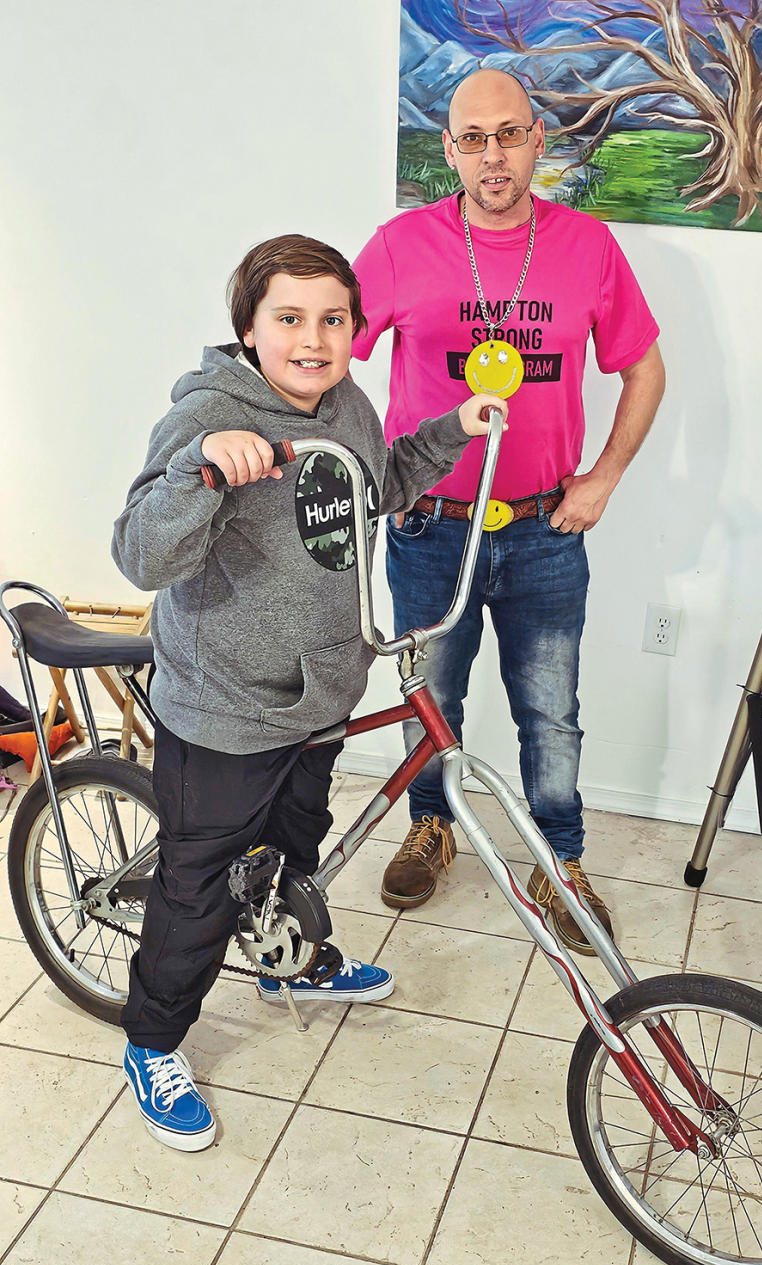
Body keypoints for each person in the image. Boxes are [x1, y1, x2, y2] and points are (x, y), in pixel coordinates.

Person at [112, 234, 506, 1151]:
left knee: (294, 844)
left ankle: (286, 959)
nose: (313, 339)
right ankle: (153, 1040)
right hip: (225, 702)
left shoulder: (348, 405)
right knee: (196, 886)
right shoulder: (206, 415)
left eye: (333, 320)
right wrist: (204, 467)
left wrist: (454, 430)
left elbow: (382, 488)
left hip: (322, 686)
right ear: (249, 329)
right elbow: (141, 554)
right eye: (289, 318)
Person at [352, 69, 665, 956]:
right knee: (431, 696)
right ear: (449, 150)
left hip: (543, 528)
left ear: (538, 141)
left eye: (509, 134)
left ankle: (558, 863)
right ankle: (432, 827)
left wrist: (601, 477)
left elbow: (643, 367)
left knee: (549, 709)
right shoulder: (398, 245)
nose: (493, 155)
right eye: (473, 138)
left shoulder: (589, 247)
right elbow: (325, 355)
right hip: (428, 526)